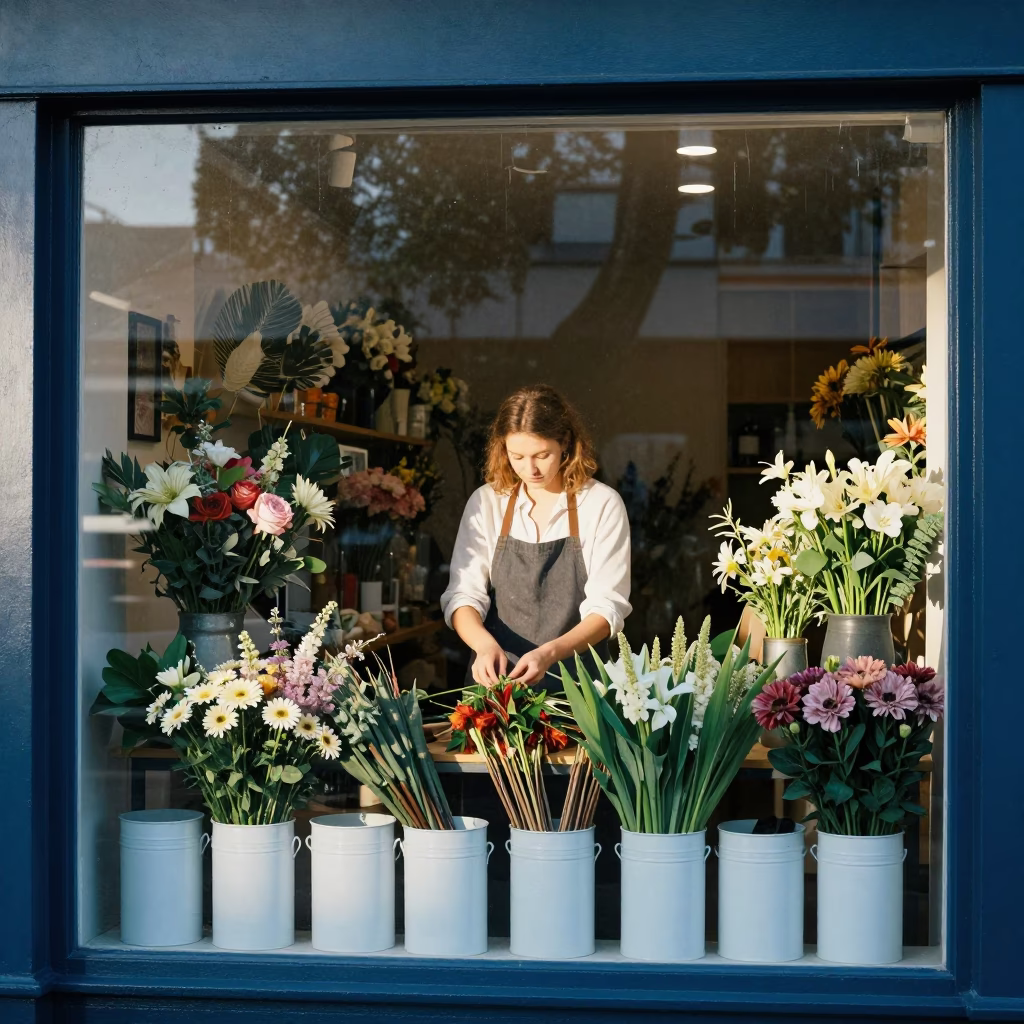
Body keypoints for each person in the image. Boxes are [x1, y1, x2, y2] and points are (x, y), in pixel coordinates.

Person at [441, 385, 631, 687]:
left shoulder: (601, 504)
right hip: (500, 690)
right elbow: (463, 595)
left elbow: (607, 607)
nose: (530, 469)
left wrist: (549, 653)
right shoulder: (487, 502)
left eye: (542, 455)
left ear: (565, 442)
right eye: (517, 456)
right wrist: (484, 646)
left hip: (580, 691)